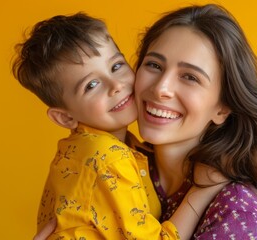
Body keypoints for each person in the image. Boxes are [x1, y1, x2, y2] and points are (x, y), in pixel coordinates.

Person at [12, 13, 224, 240]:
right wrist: (201, 192)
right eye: (91, 85)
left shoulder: (85, 150)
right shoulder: (107, 158)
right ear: (65, 118)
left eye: (116, 66)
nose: (116, 85)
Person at [133, 3, 257, 240]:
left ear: (223, 108)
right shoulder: (112, 165)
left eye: (190, 77)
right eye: (154, 65)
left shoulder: (238, 209)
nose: (161, 88)